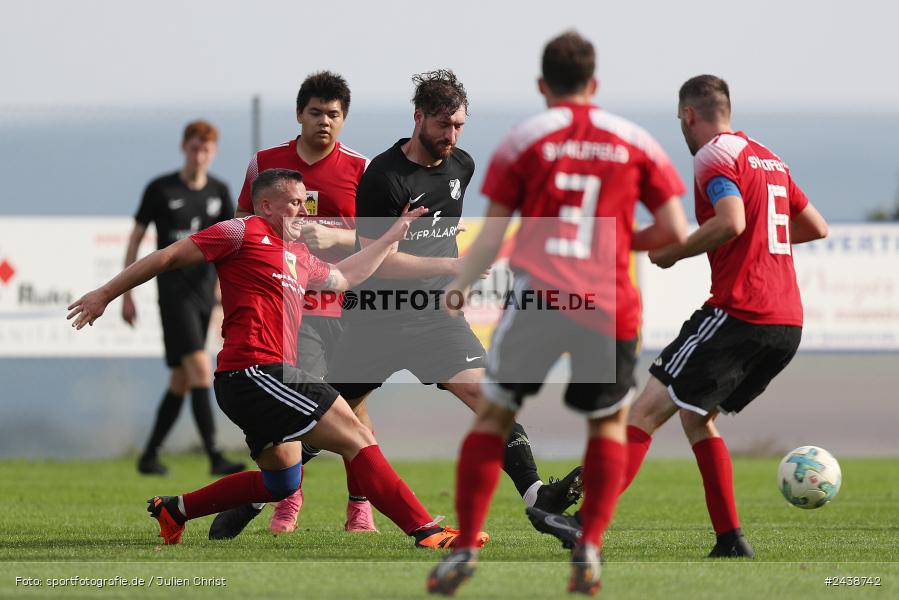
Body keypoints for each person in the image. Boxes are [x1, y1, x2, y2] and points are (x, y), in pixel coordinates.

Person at [68, 168, 488, 550]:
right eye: (294, 203)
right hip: (255, 370)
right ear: (266, 205)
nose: (304, 211)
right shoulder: (239, 231)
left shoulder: (298, 255)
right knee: (357, 435)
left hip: (251, 381)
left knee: (282, 481)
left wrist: (391, 236)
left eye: (305, 203)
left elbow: (345, 276)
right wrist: (104, 294)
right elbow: (168, 256)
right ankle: (425, 530)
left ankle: (176, 509)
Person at [426, 32, 688, 596]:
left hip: (541, 299)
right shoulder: (633, 140)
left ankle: (465, 549)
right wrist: (617, 242)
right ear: (595, 83)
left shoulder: (524, 140)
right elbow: (673, 229)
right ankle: (588, 546)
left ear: (542, 85)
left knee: (493, 417)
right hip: (607, 304)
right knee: (607, 425)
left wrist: (460, 288)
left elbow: (493, 234)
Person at [327, 69, 584, 526]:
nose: (451, 135)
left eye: (459, 125)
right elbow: (378, 262)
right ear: (418, 118)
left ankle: (537, 496)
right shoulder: (383, 177)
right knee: (319, 423)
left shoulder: (461, 165)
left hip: (435, 319)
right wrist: (451, 267)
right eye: (443, 124)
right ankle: (256, 496)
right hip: (375, 320)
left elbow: (443, 235)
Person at [610, 74, 829, 560]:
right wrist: (758, 240)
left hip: (741, 310)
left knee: (645, 411)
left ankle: (585, 524)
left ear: (689, 114)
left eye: (680, 120)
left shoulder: (712, 155)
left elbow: (731, 221)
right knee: (695, 416)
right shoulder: (770, 158)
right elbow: (816, 227)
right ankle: (730, 539)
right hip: (786, 323)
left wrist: (673, 253)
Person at [213, 71, 373, 537]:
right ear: (300, 114)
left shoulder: (360, 168)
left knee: (353, 406)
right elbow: (243, 223)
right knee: (306, 403)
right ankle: (288, 499)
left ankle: (359, 506)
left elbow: (375, 238)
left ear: (344, 119)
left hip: (348, 302)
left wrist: (335, 236)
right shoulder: (266, 162)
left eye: (334, 114)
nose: (325, 121)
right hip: (295, 307)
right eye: (316, 112)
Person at [123, 120, 244, 476]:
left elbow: (232, 244)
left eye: (205, 149)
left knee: (181, 378)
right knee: (201, 369)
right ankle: (215, 455)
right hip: (173, 295)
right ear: (183, 148)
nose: (199, 155)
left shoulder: (220, 191)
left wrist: (223, 290)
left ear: (214, 152)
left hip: (204, 293)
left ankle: (149, 455)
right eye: (194, 148)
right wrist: (127, 294)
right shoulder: (160, 189)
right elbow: (135, 239)